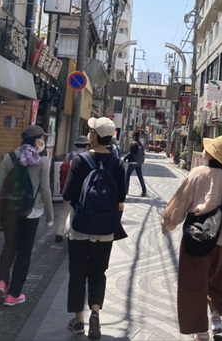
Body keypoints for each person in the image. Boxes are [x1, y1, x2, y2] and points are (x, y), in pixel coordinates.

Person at [161, 135, 222, 341]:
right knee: (216, 278)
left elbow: (179, 203)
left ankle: (201, 332)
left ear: (210, 154)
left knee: (194, 283)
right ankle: (216, 317)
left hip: (197, 239)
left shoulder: (198, 173)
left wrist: (168, 223)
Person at [62, 117, 126, 340]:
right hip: (106, 228)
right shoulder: (117, 163)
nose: (89, 134)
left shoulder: (80, 161)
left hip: (80, 226)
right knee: (98, 272)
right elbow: (122, 196)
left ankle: (79, 321)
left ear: (95, 136)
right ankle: (95, 313)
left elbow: (68, 194)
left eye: (91, 131)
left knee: (77, 272)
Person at [0, 124, 54, 307]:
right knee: (24, 253)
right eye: (42, 138)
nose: (44, 141)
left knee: (9, 246)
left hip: (9, 210)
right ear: (37, 141)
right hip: (32, 211)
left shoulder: (10, 157)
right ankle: (13, 294)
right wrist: (50, 216)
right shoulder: (42, 161)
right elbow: (45, 190)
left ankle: (1, 283)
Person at [56, 135, 91, 242]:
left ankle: (59, 232)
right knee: (75, 211)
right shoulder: (87, 157)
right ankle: (71, 232)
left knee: (64, 210)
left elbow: (63, 172)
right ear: (86, 145)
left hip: (68, 186)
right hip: (80, 189)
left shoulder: (70, 155)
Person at [123, 131, 147, 197]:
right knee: (140, 177)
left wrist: (124, 159)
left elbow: (131, 153)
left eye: (132, 136)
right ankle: (144, 191)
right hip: (139, 163)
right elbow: (143, 153)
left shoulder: (133, 143)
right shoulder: (140, 144)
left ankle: (125, 191)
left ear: (134, 136)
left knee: (127, 176)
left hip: (133, 162)